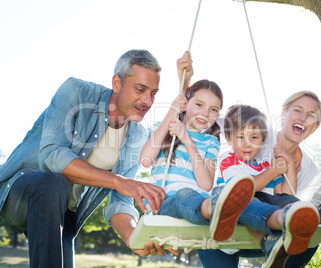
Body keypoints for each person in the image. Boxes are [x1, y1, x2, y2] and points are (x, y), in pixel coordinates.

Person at [0, 49, 193, 267]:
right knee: (54, 182)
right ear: (117, 84)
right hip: (21, 193)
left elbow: (121, 200)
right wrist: (119, 181)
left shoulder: (137, 136)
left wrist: (133, 236)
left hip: (65, 215)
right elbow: (52, 155)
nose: (147, 101)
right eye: (140, 89)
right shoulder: (76, 92)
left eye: (153, 93)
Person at [198, 92, 321, 268]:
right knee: (245, 199)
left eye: (311, 115)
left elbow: (287, 195)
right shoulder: (255, 128)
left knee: (302, 224)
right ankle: (272, 239)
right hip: (225, 230)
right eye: (298, 110)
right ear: (284, 114)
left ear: (315, 127)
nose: (303, 118)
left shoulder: (303, 170)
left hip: (273, 233)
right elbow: (204, 117)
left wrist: (289, 167)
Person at [139, 79, 258, 242]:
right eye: (199, 105)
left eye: (213, 109)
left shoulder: (211, 142)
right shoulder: (163, 128)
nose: (205, 113)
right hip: (165, 205)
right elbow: (145, 160)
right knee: (184, 195)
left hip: (199, 204)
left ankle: (225, 212)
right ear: (186, 103)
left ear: (217, 115)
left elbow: (206, 184)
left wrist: (187, 140)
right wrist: (171, 113)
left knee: (219, 191)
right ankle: (217, 212)